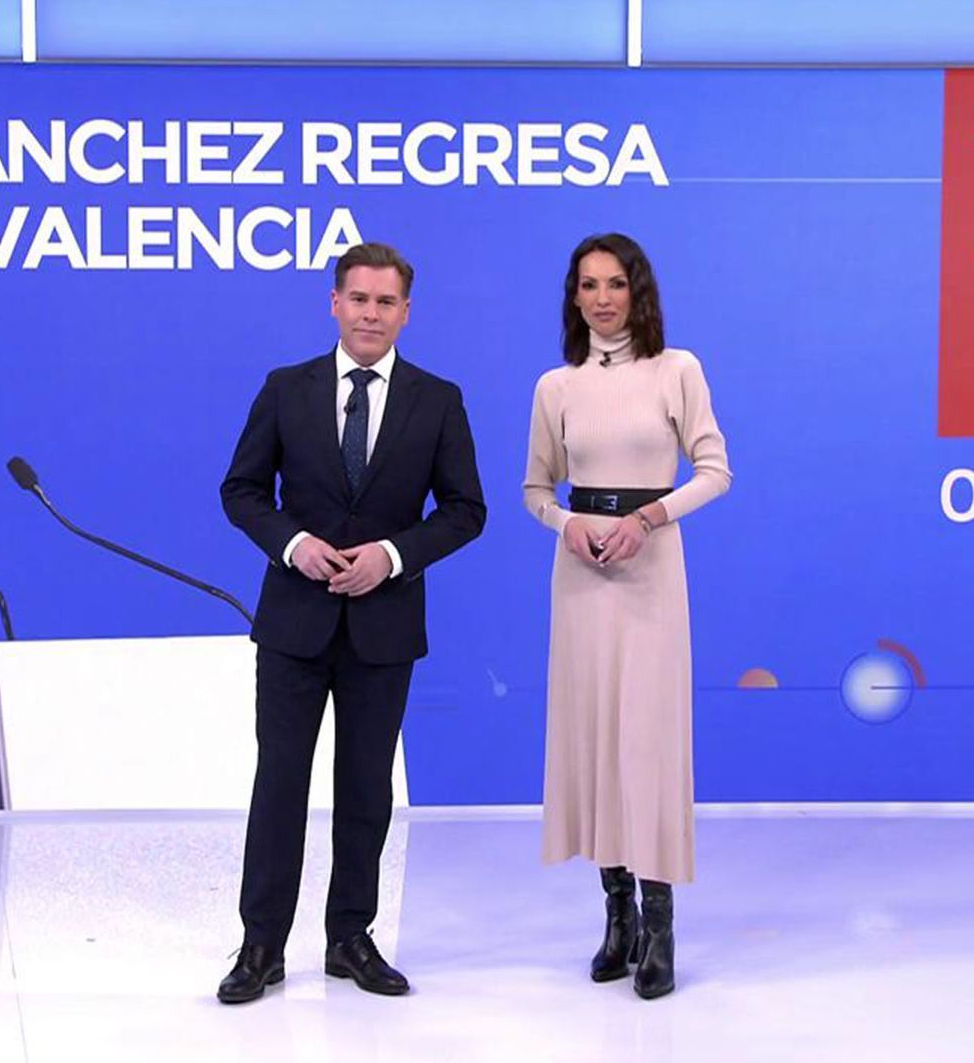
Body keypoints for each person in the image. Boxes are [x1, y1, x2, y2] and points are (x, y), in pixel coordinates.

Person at [217, 242, 486, 1003]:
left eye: (385, 302)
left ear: (406, 312)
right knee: (280, 783)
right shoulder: (285, 388)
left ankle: (350, 938)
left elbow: (465, 510)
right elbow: (241, 491)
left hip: (383, 626)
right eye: (358, 299)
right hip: (293, 626)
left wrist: (392, 557)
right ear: (334, 304)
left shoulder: (437, 400)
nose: (371, 314)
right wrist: (294, 545)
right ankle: (261, 945)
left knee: (367, 788)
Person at [522, 232, 731, 999]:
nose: (601, 298)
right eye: (588, 285)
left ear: (637, 292)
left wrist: (648, 519)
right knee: (594, 737)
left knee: (645, 742)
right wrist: (565, 525)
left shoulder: (677, 371)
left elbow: (714, 470)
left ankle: (660, 923)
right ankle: (617, 916)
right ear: (573, 298)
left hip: (650, 569)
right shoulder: (556, 386)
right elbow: (535, 489)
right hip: (581, 575)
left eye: (615, 283)